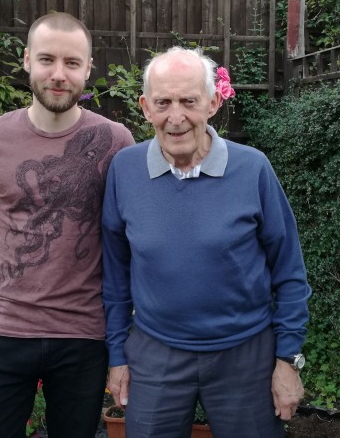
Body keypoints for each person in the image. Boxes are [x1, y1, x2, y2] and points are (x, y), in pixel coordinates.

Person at [102, 46, 311, 438]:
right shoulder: (124, 171)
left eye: (189, 101)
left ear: (213, 103)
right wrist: (117, 356)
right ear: (146, 108)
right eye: (163, 102)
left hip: (245, 355)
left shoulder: (253, 169)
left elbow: (290, 272)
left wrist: (288, 359)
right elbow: (115, 276)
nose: (175, 117)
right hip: (156, 353)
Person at [0, 11, 135, 438]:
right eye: (47, 60)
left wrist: (122, 335)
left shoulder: (116, 142)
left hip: (83, 335)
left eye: (72, 63)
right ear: (26, 60)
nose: (59, 74)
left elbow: (130, 238)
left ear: (88, 69)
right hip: (3, 327)